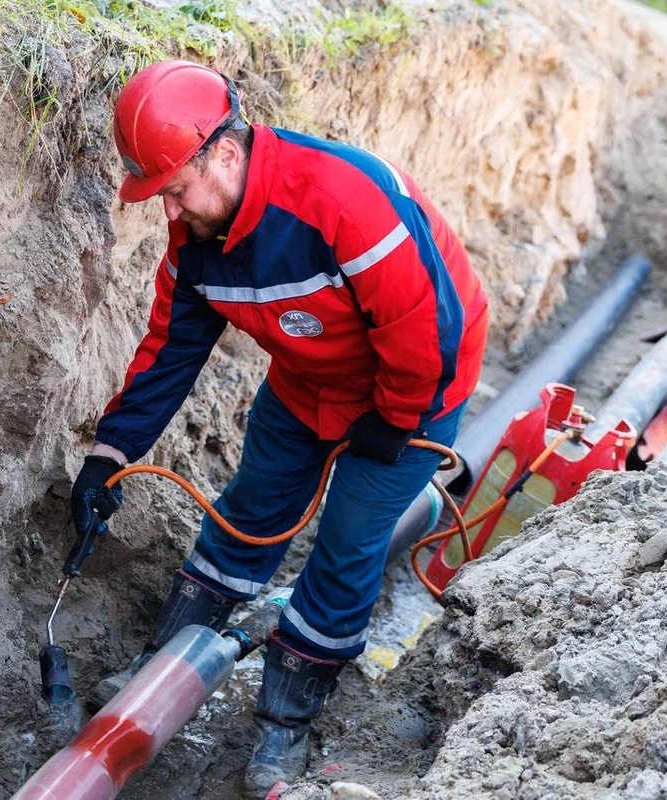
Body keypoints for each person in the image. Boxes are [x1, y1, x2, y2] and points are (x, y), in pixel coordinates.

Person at [69, 59, 488, 796]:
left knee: (350, 541)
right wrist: (108, 456)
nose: (170, 213)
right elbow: (169, 352)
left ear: (224, 155)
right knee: (253, 507)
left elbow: (426, 323)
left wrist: (393, 423)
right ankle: (166, 663)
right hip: (309, 379)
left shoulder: (341, 199)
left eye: (174, 191)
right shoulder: (200, 241)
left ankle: (285, 721)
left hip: (417, 386)